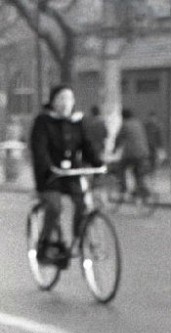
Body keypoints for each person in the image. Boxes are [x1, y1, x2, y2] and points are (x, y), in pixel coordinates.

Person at [29, 84, 102, 263]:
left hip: (71, 173)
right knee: (55, 206)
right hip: (50, 174)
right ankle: (45, 244)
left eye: (69, 98)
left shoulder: (78, 121)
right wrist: (47, 165)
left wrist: (98, 164)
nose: (65, 103)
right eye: (60, 98)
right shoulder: (43, 121)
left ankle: (77, 240)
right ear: (52, 102)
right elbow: (39, 148)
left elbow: (87, 146)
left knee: (83, 204)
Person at [114, 107, 151, 198]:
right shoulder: (138, 123)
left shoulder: (125, 124)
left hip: (132, 153)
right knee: (137, 170)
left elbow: (118, 138)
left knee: (120, 167)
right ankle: (139, 188)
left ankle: (123, 187)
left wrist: (114, 149)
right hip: (144, 152)